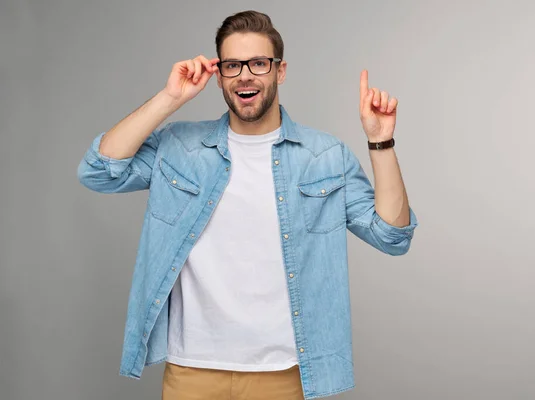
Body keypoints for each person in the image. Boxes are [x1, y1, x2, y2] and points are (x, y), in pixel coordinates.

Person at [77, 9, 418, 400]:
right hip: (192, 371)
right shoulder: (180, 147)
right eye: (232, 65)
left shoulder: (324, 156)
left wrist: (380, 142)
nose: (245, 75)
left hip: (283, 373)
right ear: (219, 73)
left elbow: (392, 237)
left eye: (258, 63)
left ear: (280, 71)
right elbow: (99, 171)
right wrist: (170, 98)